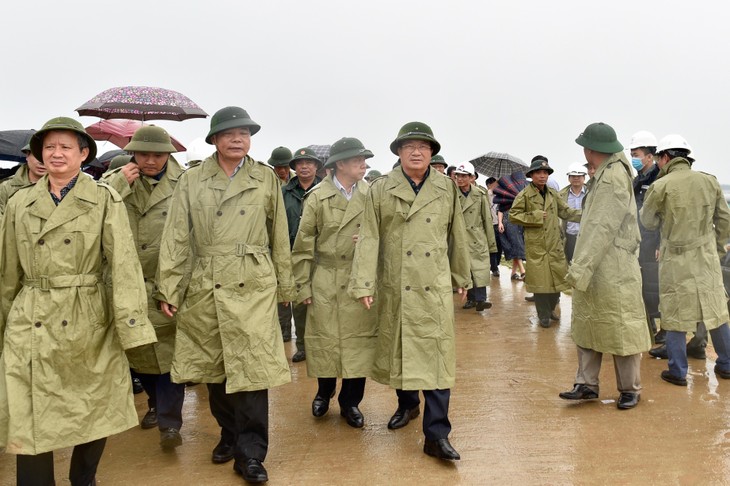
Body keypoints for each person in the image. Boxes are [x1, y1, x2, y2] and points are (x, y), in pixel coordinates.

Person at [0, 117, 157, 485]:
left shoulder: (103, 198)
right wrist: (4, 323)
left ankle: (83, 478)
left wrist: (130, 326)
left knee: (93, 404)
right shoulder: (20, 201)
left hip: (86, 313)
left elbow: (123, 264)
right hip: (31, 315)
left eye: (65, 147)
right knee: (29, 407)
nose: (56, 154)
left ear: (83, 154)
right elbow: (8, 271)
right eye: (49, 147)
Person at [156, 106, 295, 483]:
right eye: (230, 133)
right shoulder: (193, 179)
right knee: (213, 369)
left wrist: (286, 283)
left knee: (252, 370)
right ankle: (229, 435)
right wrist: (168, 286)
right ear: (214, 139)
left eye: (245, 133)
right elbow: (176, 236)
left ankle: (251, 453)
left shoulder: (265, 177)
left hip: (252, 281)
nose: (238, 139)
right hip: (206, 280)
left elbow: (278, 232)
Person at [349, 121, 471, 461]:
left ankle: (437, 435)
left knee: (437, 357)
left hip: (432, 281)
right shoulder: (381, 187)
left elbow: (456, 234)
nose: (416, 151)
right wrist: (363, 282)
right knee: (402, 349)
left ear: (432, 152)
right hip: (397, 281)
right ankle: (407, 405)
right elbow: (370, 236)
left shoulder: (446, 188)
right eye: (409, 146)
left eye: (423, 146)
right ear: (399, 152)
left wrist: (462, 276)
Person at [102, 125, 186, 450]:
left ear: (169, 154)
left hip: (169, 281)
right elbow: (94, 204)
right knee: (139, 354)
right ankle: (154, 403)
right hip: (128, 282)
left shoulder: (184, 183)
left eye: (158, 154)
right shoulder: (117, 180)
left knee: (169, 355)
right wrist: (121, 180)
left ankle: (170, 423)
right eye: (144, 153)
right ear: (132, 153)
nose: (150, 160)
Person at [559, 122, 650, 410]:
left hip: (612, 266)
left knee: (621, 325)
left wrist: (579, 268)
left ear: (593, 149)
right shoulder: (605, 174)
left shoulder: (611, 179)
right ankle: (586, 384)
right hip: (597, 264)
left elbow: (601, 227)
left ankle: (630, 389)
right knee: (588, 324)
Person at [291, 137, 377, 429]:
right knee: (325, 341)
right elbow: (303, 245)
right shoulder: (317, 197)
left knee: (358, 344)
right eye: (357, 161)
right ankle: (324, 392)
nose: (364, 165)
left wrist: (367, 239)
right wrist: (302, 285)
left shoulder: (372, 195)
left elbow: (384, 234)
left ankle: (350, 402)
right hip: (326, 276)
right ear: (340, 164)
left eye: (364, 161)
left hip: (360, 278)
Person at [639, 134, 730, 386]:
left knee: (674, 313)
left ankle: (678, 371)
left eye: (659, 159)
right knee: (716, 310)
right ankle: (726, 364)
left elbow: (647, 221)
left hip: (675, 258)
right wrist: (717, 251)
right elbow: (724, 220)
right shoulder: (709, 181)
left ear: (666, 157)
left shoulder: (661, 185)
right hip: (706, 258)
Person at [510, 157, 581, 328]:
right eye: (539, 173)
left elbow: (566, 211)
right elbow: (513, 215)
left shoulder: (552, 193)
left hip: (554, 244)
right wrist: (534, 216)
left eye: (545, 173)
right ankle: (543, 315)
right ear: (532, 175)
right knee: (541, 284)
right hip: (537, 246)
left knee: (556, 281)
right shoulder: (525, 195)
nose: (542, 176)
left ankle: (550, 310)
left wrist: (586, 215)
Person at [282, 147, 324, 362]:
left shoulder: (325, 189)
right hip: (293, 253)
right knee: (299, 300)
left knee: (322, 301)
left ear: (316, 166)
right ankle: (303, 346)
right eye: (300, 163)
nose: (304, 166)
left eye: (309, 162)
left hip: (321, 254)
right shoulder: (284, 192)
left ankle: (322, 345)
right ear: (295, 168)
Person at [453, 162, 497, 311]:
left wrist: (491, 244)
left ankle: (480, 300)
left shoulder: (479, 194)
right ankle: (471, 299)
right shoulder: (452, 194)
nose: (460, 179)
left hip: (477, 237)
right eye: (458, 175)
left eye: (464, 176)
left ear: (472, 177)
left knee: (480, 268)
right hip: (459, 236)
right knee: (466, 269)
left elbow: (487, 219)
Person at [0, 142, 46, 216]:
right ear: (27, 155)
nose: (42, 162)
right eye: (37, 155)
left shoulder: (65, 188)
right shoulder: (6, 187)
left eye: (46, 156)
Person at [558, 163, 587, 264]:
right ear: (569, 178)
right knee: (569, 263)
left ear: (584, 177)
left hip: (586, 236)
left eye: (579, 176)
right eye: (573, 176)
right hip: (569, 236)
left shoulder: (591, 193)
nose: (576, 178)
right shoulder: (561, 195)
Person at [485, 177, 503, 277]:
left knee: (500, 246)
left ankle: (495, 265)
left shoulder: (500, 194)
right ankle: (494, 268)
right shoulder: (486, 195)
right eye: (495, 184)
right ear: (489, 185)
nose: (497, 185)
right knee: (493, 247)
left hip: (499, 223)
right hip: (490, 224)